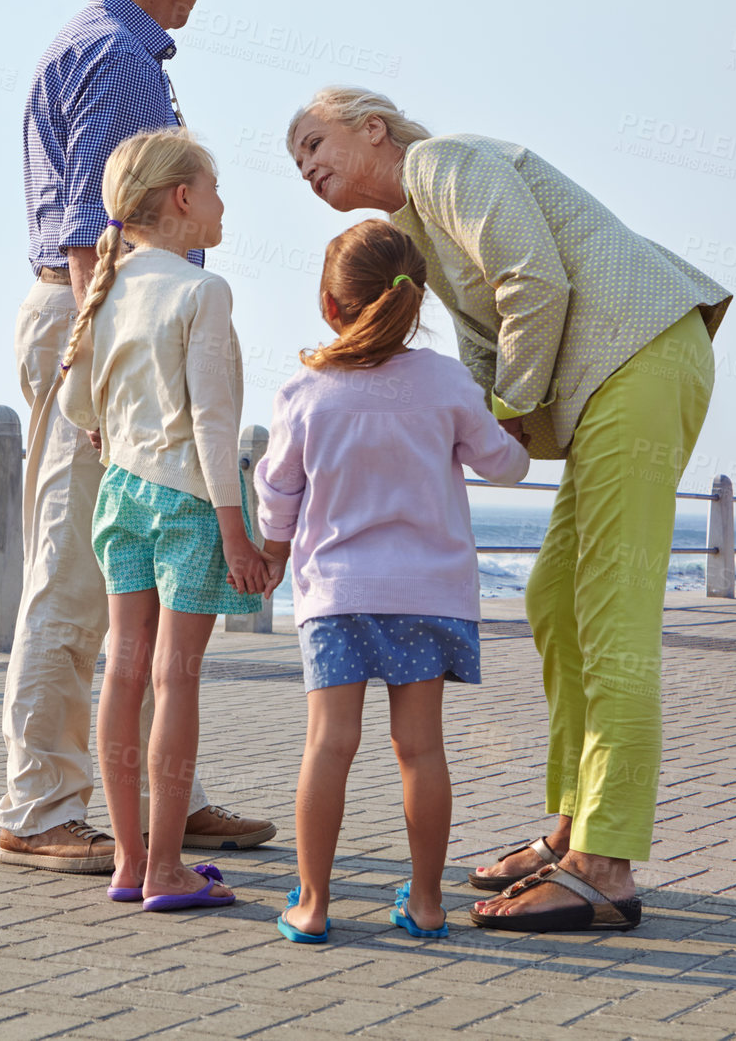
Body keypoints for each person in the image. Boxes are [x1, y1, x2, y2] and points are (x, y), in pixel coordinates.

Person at [287, 87, 732, 932]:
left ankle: (605, 864)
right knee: (554, 602)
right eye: (295, 160)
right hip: (611, 381)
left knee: (610, 619)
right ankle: (571, 828)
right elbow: (486, 353)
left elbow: (536, 281)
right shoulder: (415, 235)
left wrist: (499, 413)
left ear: (372, 128)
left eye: (314, 142)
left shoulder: (442, 162)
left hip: (638, 359)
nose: (306, 165)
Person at [0, 0, 274, 873]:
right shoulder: (116, 58)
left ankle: (168, 795)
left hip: (112, 331)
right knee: (84, 571)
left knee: (145, 573)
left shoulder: (111, 46)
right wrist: (113, 377)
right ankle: (40, 803)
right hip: (109, 336)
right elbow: (92, 239)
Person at [255, 220, 530, 943]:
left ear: (330, 303)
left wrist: (276, 553)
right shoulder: (446, 382)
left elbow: (278, 490)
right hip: (429, 594)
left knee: (329, 746)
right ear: (415, 301)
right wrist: (518, 431)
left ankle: (312, 905)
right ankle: (430, 902)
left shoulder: (307, 392)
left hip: (338, 597)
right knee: (422, 750)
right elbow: (503, 464)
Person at [59, 129, 278, 910]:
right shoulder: (201, 289)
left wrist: (115, 428)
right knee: (175, 681)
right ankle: (167, 870)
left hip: (120, 496)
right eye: (215, 190)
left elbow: (81, 404)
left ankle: (127, 861)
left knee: (122, 673)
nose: (223, 205)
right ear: (183, 199)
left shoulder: (108, 289)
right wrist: (235, 528)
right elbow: (214, 423)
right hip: (188, 501)